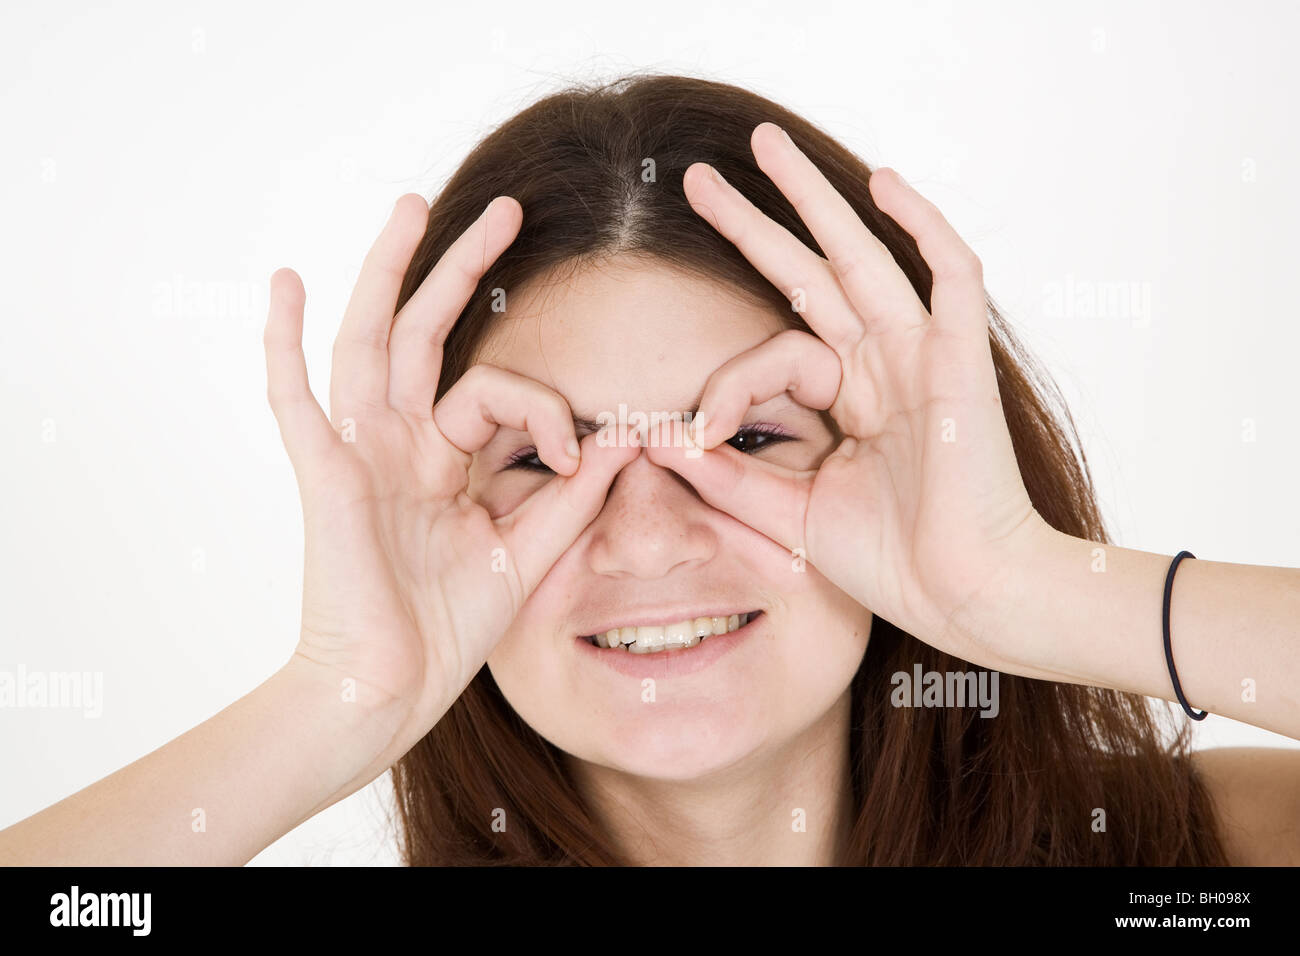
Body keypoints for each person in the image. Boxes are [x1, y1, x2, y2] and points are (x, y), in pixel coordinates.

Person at [3, 73, 1298, 866]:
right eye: (538, 457)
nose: (645, 540)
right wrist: (340, 695)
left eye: (747, 438)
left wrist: (1030, 592)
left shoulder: (1205, 862)